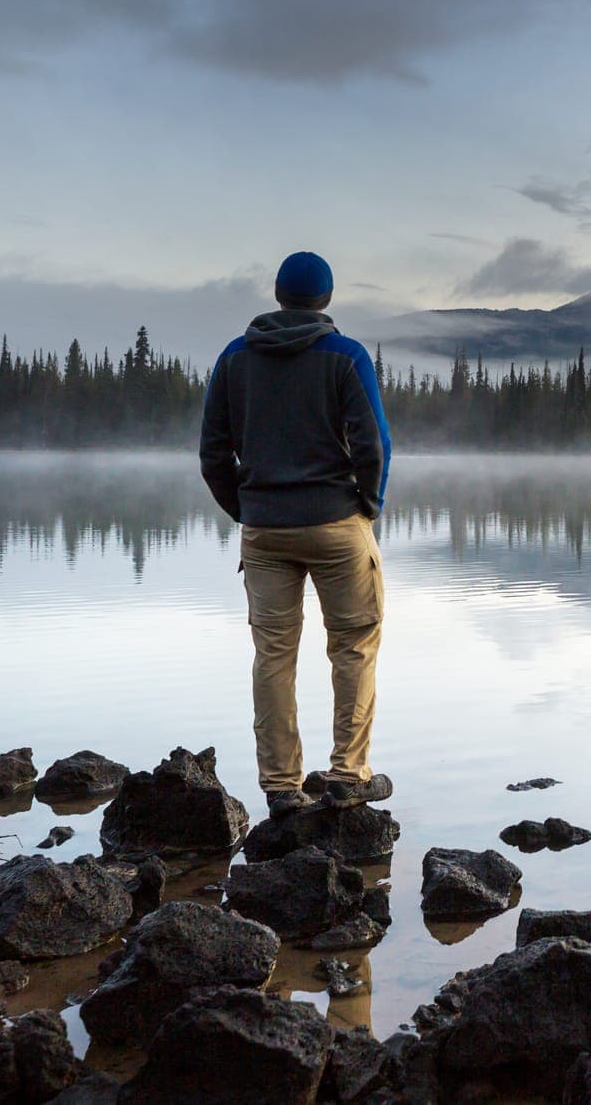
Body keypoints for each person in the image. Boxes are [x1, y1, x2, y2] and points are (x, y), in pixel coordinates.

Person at [199, 251, 394, 817]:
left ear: (280, 295)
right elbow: (373, 444)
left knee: (273, 656)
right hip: (337, 525)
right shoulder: (346, 356)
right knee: (353, 645)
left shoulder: (234, 358)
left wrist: (247, 511)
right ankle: (348, 776)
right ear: (325, 298)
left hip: (265, 531)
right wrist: (368, 505)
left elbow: (213, 452)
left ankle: (282, 787)